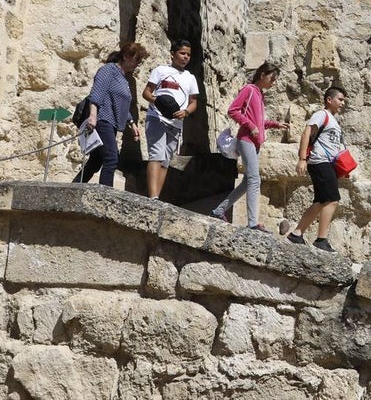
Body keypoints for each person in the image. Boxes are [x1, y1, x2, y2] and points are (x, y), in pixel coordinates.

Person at [211, 62, 289, 231]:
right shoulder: (249, 89)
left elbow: (259, 121)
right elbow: (233, 110)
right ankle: (253, 223)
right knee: (254, 179)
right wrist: (251, 126)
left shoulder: (260, 95)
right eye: (272, 78)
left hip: (254, 143)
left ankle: (219, 210)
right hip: (246, 139)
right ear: (262, 75)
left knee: (248, 181)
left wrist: (275, 124)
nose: (273, 82)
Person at [73, 42, 148, 187]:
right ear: (126, 56)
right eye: (136, 59)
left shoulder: (123, 78)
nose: (137, 64)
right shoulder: (109, 70)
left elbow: (121, 105)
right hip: (102, 120)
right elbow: (96, 94)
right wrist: (93, 116)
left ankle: (73, 188)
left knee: (96, 161)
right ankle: (106, 196)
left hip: (111, 123)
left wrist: (131, 123)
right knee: (111, 158)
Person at [287, 86, 348, 252]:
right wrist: (302, 159)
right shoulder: (322, 115)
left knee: (321, 201)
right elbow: (307, 133)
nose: (343, 103)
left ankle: (297, 234)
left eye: (343, 100)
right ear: (330, 100)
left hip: (327, 163)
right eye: (340, 99)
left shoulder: (333, 120)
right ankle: (321, 240)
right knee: (332, 199)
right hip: (319, 161)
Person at [141, 39, 200, 200]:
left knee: (166, 160)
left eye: (188, 54)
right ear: (173, 54)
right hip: (157, 118)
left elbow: (194, 102)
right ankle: (152, 197)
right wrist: (157, 101)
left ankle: (157, 196)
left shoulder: (190, 78)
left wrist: (186, 112)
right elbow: (146, 92)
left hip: (176, 123)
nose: (185, 57)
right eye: (182, 53)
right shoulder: (160, 71)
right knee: (156, 155)